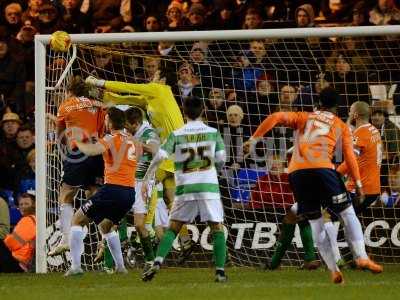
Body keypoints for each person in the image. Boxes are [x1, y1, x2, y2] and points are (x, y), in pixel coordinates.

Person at [244, 87, 382, 284]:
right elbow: (350, 156)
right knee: (345, 213)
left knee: (310, 219)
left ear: (318, 102)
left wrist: (254, 138)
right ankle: (360, 256)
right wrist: (358, 183)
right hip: (324, 172)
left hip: (297, 173)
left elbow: (275, 116)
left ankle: (330, 267)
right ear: (337, 107)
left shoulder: (304, 117)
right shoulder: (340, 124)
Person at [85, 75, 194, 262]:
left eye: (158, 74)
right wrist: (103, 96)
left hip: (174, 150)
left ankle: (137, 235)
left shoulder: (161, 90)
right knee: (170, 199)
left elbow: (128, 86)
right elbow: (123, 98)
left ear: (163, 78)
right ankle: (185, 242)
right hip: (172, 152)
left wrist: (99, 82)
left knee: (142, 182)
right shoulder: (149, 99)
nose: (153, 78)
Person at [141, 96, 227, 282]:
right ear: (203, 110)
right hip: (207, 186)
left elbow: (159, 156)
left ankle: (157, 261)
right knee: (217, 228)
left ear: (184, 112)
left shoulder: (177, 134)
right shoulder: (213, 132)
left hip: (185, 186)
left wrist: (148, 176)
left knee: (173, 228)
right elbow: (221, 159)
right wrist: (213, 171)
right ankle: (220, 271)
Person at [65, 107, 137, 276]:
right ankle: (121, 267)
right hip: (129, 193)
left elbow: (91, 151)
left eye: (105, 119)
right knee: (106, 226)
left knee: (76, 220)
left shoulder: (110, 138)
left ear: (110, 122)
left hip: (112, 189)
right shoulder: (133, 139)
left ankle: (75, 267)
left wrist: (78, 142)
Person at [49, 76, 106, 256]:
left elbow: (60, 134)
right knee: (95, 195)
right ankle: (105, 237)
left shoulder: (66, 105)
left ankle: (66, 238)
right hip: (97, 151)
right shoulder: (98, 105)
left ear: (69, 91)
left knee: (66, 194)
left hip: (78, 151)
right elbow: (103, 130)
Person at [325, 101, 382, 265]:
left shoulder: (361, 133)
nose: (348, 113)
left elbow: (352, 160)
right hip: (373, 186)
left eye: (350, 111)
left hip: (360, 187)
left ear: (356, 114)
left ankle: (339, 259)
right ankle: (356, 258)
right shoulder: (373, 130)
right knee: (348, 219)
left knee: (327, 215)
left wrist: (335, 175)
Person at [250, 155, 319, 270]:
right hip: (319, 193)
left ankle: (276, 262)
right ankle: (309, 259)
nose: (274, 167)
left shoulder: (290, 177)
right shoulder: (263, 180)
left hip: (307, 199)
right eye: (272, 166)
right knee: (298, 220)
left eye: (277, 166)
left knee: (300, 219)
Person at [125, 106, 160, 276]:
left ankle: (150, 259)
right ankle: (114, 260)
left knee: (140, 225)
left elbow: (154, 150)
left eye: (127, 125)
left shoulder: (149, 133)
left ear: (135, 123)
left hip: (142, 183)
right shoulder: (130, 133)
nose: (125, 128)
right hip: (126, 181)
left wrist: (136, 144)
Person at [0, 192, 35, 273]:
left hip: (19, 262)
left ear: (34, 205)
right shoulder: (33, 219)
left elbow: (12, 243)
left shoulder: (28, 220)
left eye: (26, 204)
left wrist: (8, 238)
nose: (23, 207)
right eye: (21, 204)